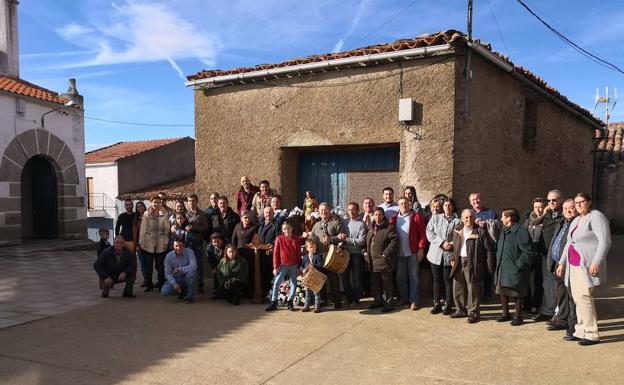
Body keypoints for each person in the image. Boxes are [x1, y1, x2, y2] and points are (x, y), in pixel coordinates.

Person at [556, 193, 611, 346]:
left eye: (582, 202)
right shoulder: (577, 220)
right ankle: (580, 330)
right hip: (573, 265)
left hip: (586, 266)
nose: (579, 205)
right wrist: (561, 263)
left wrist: (596, 261)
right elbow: (569, 243)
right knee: (578, 299)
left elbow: (605, 241)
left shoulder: (596, 217)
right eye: (576, 203)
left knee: (584, 298)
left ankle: (592, 334)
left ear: (589, 202)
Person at [449, 209, 496, 323]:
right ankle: (460, 309)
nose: (468, 220)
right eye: (466, 218)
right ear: (462, 218)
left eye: (471, 217)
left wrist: (489, 265)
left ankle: (473, 312)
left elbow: (489, 249)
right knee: (457, 286)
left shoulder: (480, 231)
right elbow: (454, 246)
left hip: (473, 262)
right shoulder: (457, 230)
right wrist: (453, 258)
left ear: (474, 218)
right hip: (459, 261)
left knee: (473, 288)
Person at [494, 209, 535, 326]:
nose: (501, 219)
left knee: (517, 293)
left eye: (503, 217)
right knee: (503, 291)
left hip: (515, 268)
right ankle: (505, 314)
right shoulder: (504, 229)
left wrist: (519, 265)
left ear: (509, 218)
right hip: (503, 266)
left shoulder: (521, 231)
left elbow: (527, 251)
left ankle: (518, 316)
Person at [547, 199, 578, 337]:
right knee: (561, 295)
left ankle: (573, 325)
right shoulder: (562, 222)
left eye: (571, 208)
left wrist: (563, 263)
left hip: (569, 265)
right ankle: (562, 319)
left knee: (572, 297)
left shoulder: (577, 224)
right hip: (557, 265)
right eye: (565, 209)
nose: (568, 211)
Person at [389, 197, 426, 310]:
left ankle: (414, 300)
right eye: (401, 204)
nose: (404, 205)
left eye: (405, 203)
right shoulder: (394, 218)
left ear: (409, 204)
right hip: (399, 253)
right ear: (398, 206)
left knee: (414, 277)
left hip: (413, 252)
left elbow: (423, 235)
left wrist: (421, 249)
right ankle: (404, 298)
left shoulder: (416, 216)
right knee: (401, 277)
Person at [426, 198, 461, 315]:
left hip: (449, 254)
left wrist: (451, 243)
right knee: (436, 280)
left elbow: (459, 237)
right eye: (445, 205)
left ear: (453, 207)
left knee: (448, 280)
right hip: (435, 254)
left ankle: (449, 304)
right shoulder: (435, 218)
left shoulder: (458, 221)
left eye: (449, 205)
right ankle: (437, 303)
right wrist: (442, 242)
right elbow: (429, 233)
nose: (447, 207)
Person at [310, 202, 347, 310]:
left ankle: (337, 301)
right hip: (319, 256)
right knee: (320, 279)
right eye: (321, 210)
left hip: (332, 256)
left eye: (325, 210)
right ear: (319, 212)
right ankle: (323, 300)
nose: (323, 212)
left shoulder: (335, 222)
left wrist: (332, 239)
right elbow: (312, 239)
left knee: (333, 279)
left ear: (329, 210)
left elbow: (342, 236)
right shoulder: (316, 225)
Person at [536, 190, 564, 323]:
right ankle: (548, 310)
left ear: (560, 200)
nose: (551, 203)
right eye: (549, 200)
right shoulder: (547, 214)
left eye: (554, 200)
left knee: (558, 285)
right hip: (545, 254)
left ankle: (559, 313)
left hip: (558, 256)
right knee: (547, 284)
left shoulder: (563, 215)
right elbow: (535, 223)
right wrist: (544, 211)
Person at [364, 207, 399, 312]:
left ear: (383, 216)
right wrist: (365, 251)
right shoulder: (370, 228)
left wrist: (385, 254)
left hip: (384, 260)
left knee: (386, 283)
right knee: (375, 282)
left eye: (379, 214)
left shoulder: (389, 227)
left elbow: (395, 241)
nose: (377, 216)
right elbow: (367, 242)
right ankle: (377, 301)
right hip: (372, 260)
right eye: (375, 214)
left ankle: (388, 303)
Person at [266, 222, 304, 312]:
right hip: (283, 265)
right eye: (284, 229)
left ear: (292, 228)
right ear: (282, 230)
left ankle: (290, 302)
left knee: (294, 283)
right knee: (276, 283)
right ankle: (274, 302)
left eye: (288, 228)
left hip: (294, 264)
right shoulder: (279, 239)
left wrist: (299, 267)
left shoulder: (297, 239)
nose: (287, 230)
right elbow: (275, 254)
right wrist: (275, 267)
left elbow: (299, 254)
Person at [469, 192, 498, 301]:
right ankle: (475, 294)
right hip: (475, 247)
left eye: (477, 199)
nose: (476, 201)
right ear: (470, 202)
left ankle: (487, 293)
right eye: (473, 200)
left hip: (489, 247)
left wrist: (487, 223)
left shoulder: (490, 212)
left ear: (481, 199)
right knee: (475, 269)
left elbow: (497, 225)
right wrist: (473, 223)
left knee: (489, 269)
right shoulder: (470, 213)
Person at [139, 195, 169, 292]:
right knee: (148, 265)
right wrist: (142, 242)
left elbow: (166, 229)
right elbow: (143, 229)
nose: (156, 204)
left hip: (160, 242)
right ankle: (149, 284)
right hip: (148, 242)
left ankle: (161, 284)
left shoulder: (163, 213)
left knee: (160, 265)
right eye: (154, 202)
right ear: (151, 203)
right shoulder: (146, 214)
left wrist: (165, 242)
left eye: (158, 202)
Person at [339, 202, 367, 305]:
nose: (351, 211)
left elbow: (361, 241)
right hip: (345, 254)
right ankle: (349, 298)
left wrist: (348, 239)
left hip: (356, 254)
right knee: (344, 277)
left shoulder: (361, 224)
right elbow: (339, 236)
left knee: (357, 278)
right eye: (349, 209)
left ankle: (356, 299)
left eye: (353, 209)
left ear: (358, 210)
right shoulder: (343, 222)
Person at [524, 197, 547, 316]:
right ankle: (527, 304)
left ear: (545, 207)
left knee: (539, 281)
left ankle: (536, 305)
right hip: (529, 254)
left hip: (541, 255)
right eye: (536, 207)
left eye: (541, 207)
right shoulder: (529, 220)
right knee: (526, 281)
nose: (538, 209)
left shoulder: (547, 219)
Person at [161, 238, 197, 304]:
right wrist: (174, 283)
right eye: (176, 246)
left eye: (180, 246)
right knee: (164, 291)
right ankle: (181, 292)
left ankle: (189, 296)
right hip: (176, 278)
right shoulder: (169, 256)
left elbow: (193, 266)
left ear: (184, 246)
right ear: (173, 246)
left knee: (192, 273)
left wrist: (180, 269)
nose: (178, 248)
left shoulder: (190, 252)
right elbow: (167, 273)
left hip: (187, 277)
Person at [231, 211, 259, 297]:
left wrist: (253, 244)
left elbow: (256, 239)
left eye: (248, 218)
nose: (247, 219)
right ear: (241, 218)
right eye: (245, 218)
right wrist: (234, 251)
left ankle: (249, 293)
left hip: (250, 254)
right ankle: (240, 292)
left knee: (250, 272)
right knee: (240, 272)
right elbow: (233, 239)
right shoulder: (238, 226)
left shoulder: (254, 228)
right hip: (239, 253)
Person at [186, 194, 210, 294]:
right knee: (187, 266)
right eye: (190, 201)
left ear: (197, 201)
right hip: (187, 244)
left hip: (197, 243)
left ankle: (200, 285)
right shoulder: (185, 214)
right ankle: (188, 285)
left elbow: (205, 227)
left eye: (193, 200)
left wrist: (193, 228)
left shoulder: (202, 214)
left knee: (198, 265)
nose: (191, 202)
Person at [258, 207, 281, 297]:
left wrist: (272, 244)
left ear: (273, 214)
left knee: (270, 276)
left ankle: (271, 295)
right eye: (266, 213)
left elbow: (278, 238)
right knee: (263, 275)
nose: (268, 214)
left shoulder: (276, 225)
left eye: (270, 212)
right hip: (261, 254)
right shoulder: (261, 225)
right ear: (264, 214)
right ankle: (264, 294)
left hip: (271, 254)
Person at [301, 238, 324, 313]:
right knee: (307, 292)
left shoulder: (318, 256)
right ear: (307, 248)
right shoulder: (305, 257)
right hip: (308, 278)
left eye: (314, 247)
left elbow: (320, 266)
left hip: (315, 277)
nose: (313, 249)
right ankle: (306, 306)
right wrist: (303, 270)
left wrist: (313, 266)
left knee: (316, 292)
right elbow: (301, 266)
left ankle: (317, 307)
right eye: (311, 247)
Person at [132, 201, 147, 286]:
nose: (140, 208)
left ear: (144, 207)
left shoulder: (148, 216)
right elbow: (134, 233)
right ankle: (146, 279)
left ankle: (149, 280)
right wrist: (136, 245)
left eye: (141, 206)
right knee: (143, 263)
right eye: (138, 207)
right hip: (139, 244)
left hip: (149, 244)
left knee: (149, 262)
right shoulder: (135, 219)